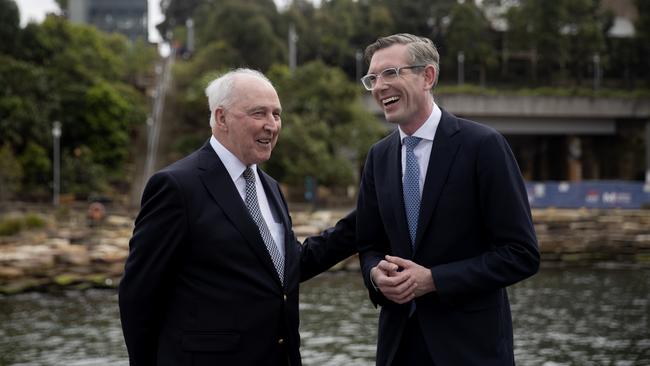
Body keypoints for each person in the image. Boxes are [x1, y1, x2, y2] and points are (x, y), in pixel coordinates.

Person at [118, 68, 356, 366]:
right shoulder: (177, 186)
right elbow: (138, 294)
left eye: (276, 114)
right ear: (221, 118)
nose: (271, 125)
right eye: (259, 113)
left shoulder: (270, 188)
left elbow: (287, 268)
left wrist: (364, 218)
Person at [356, 33, 540, 365]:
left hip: (470, 349)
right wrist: (375, 275)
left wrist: (435, 280)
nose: (380, 86)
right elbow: (368, 243)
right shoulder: (378, 157)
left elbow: (521, 254)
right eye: (373, 78)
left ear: (428, 76)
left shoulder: (484, 146)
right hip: (398, 349)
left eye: (391, 73)